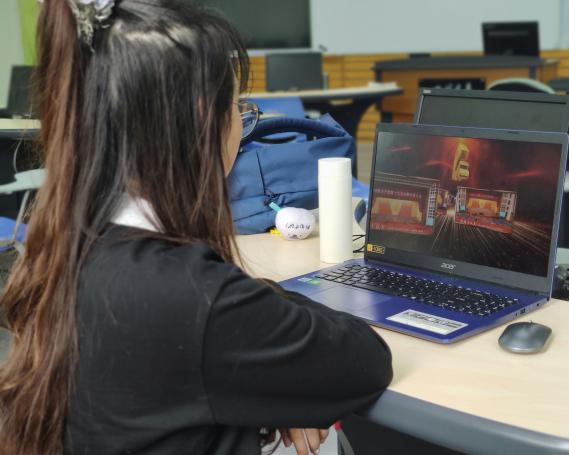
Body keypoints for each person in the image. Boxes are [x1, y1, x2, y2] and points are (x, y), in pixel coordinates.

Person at [0, 1, 393, 454]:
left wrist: (267, 381)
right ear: (203, 119)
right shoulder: (194, 298)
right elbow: (365, 360)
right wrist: (277, 373)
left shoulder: (68, 244)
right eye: (238, 107)